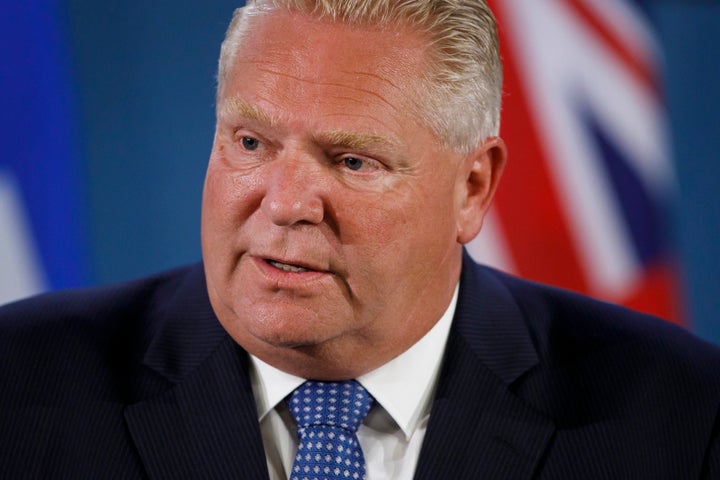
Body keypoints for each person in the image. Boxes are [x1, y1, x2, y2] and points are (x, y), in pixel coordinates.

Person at [1, 0, 719, 478]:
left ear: (473, 188)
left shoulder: (681, 420)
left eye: (352, 161)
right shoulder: (21, 383)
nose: (283, 204)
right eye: (251, 142)